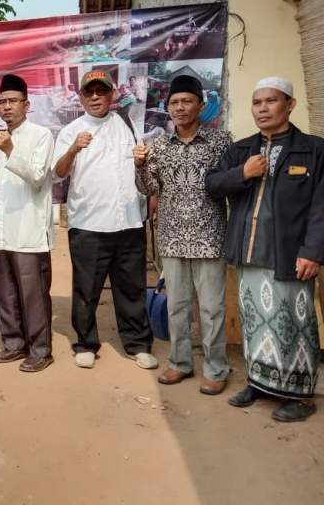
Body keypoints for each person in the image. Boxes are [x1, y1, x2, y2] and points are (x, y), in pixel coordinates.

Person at [206, 76, 323, 422]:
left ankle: (301, 396)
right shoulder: (241, 149)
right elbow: (212, 184)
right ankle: (259, 383)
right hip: (249, 252)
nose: (263, 108)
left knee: (293, 325)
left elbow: (321, 205)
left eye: (271, 101)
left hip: (290, 255)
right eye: (257, 103)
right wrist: (242, 172)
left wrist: (313, 251)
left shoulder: (314, 150)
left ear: (290, 105)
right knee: (254, 322)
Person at [54, 69, 156, 371]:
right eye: (90, 92)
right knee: (86, 290)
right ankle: (86, 344)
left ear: (112, 94)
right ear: (81, 96)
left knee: (132, 288)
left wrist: (140, 161)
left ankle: (137, 344)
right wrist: (74, 148)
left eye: (102, 91)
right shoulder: (71, 130)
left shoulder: (127, 124)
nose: (96, 97)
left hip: (128, 222)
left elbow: (141, 166)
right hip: (88, 224)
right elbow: (59, 172)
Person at [134, 75, 230, 394]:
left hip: (210, 236)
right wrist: (139, 166)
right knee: (176, 304)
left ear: (201, 106)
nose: (180, 107)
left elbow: (232, 185)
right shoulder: (159, 146)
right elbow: (148, 188)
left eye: (186, 101)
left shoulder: (221, 142)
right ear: (167, 108)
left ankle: (216, 368)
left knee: (212, 308)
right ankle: (180, 363)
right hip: (172, 237)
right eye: (174, 102)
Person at [0, 74, 55, 373]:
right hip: (3, 229)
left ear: (26, 105)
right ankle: (14, 344)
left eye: (13, 101)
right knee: (6, 291)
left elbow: (39, 175)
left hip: (29, 227)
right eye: (2, 102)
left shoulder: (41, 135)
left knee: (33, 293)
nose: (7, 107)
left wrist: (10, 151)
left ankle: (41, 350)